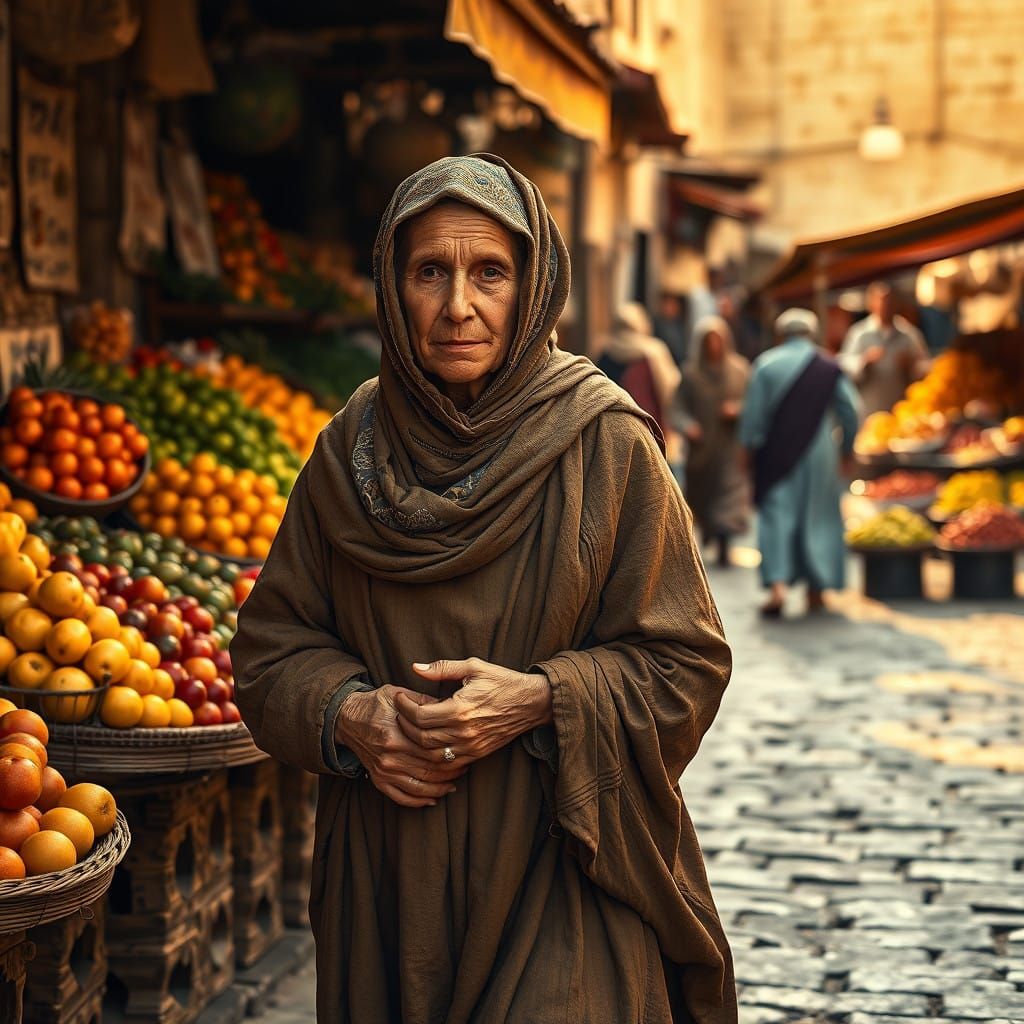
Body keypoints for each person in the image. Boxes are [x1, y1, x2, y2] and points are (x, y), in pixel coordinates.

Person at [231, 154, 736, 1023]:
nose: (459, 304)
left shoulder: (607, 444)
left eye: (489, 272)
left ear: (534, 284)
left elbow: (684, 661)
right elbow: (272, 650)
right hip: (388, 879)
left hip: (565, 857)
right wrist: (353, 714)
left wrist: (541, 700)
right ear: (393, 287)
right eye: (431, 271)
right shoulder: (348, 450)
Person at [739, 308, 860, 617]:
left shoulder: (766, 365)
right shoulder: (829, 366)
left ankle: (778, 587)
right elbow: (851, 411)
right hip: (821, 453)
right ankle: (817, 588)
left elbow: (752, 419)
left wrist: (747, 453)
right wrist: (846, 449)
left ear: (781, 334)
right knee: (818, 516)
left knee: (776, 516)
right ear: (812, 333)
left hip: (777, 451)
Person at [676, 315, 751, 567]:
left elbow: (755, 403)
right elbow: (676, 407)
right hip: (702, 450)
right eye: (709, 341)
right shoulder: (690, 374)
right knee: (703, 496)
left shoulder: (740, 371)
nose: (714, 346)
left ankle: (724, 543)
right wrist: (688, 426)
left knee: (728, 496)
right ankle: (710, 530)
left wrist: (738, 409)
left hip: (729, 447)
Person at [838, 281, 930, 416]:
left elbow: (926, 367)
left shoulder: (909, 334)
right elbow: (844, 365)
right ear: (871, 303)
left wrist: (912, 365)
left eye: (890, 301)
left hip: (901, 411)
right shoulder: (860, 333)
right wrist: (864, 361)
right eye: (882, 301)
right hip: (869, 410)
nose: (886, 305)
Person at [652, 290, 690, 366]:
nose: (670, 308)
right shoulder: (657, 324)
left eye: (673, 304)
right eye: (667, 304)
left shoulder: (680, 325)